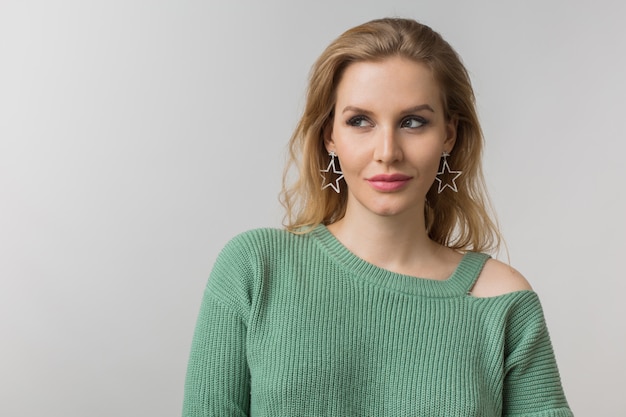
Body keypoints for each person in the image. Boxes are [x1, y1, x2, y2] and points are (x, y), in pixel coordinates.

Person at [182, 17, 573, 417]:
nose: (387, 151)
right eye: (360, 121)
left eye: (413, 122)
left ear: (449, 136)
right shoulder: (256, 268)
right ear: (329, 136)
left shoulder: (501, 300)